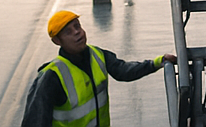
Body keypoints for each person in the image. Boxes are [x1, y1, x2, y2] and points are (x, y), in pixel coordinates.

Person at [20, 10, 174, 127]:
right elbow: (35, 121)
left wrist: (157, 62)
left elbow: (124, 71)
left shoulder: (98, 55)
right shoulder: (51, 76)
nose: (77, 32)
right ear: (57, 41)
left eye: (77, 26)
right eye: (68, 32)